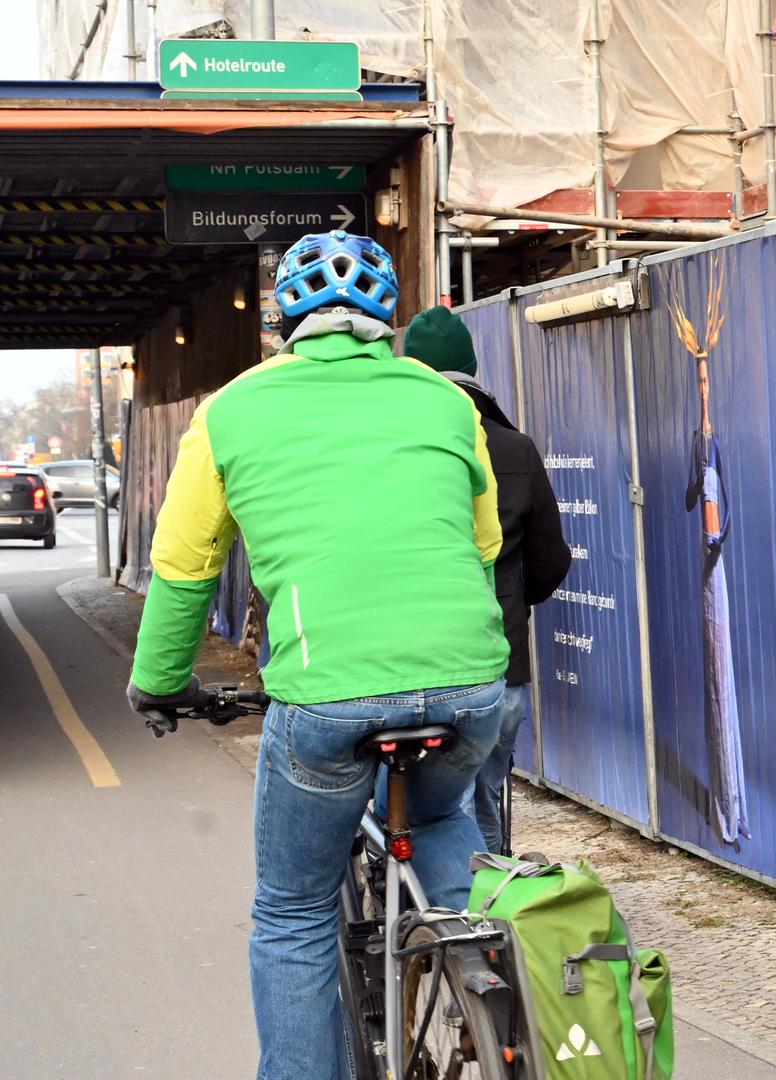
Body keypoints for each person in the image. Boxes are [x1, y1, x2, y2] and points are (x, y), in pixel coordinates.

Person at [126, 230, 510, 1080]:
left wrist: (158, 684)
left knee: (293, 913)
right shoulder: (442, 400)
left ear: (283, 321)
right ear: (388, 319)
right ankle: (491, 974)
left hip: (329, 696)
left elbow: (184, 571)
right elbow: (482, 547)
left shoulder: (229, 412)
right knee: (444, 815)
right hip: (471, 683)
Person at [403, 305, 571, 855]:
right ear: (472, 368)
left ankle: (404, 908)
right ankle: (489, 919)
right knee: (485, 796)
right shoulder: (515, 447)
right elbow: (551, 560)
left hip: (407, 666)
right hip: (500, 666)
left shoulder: (393, 446)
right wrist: (514, 600)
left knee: (408, 802)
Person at [683, 319, 750, 846]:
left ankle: (732, 805)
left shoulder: (713, 448)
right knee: (715, 683)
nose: (704, 391)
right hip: (712, 579)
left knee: (720, 683)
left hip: (716, 579)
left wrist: (715, 535)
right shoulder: (701, 448)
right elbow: (700, 503)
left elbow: (715, 515)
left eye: (707, 383)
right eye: (700, 383)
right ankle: (727, 807)